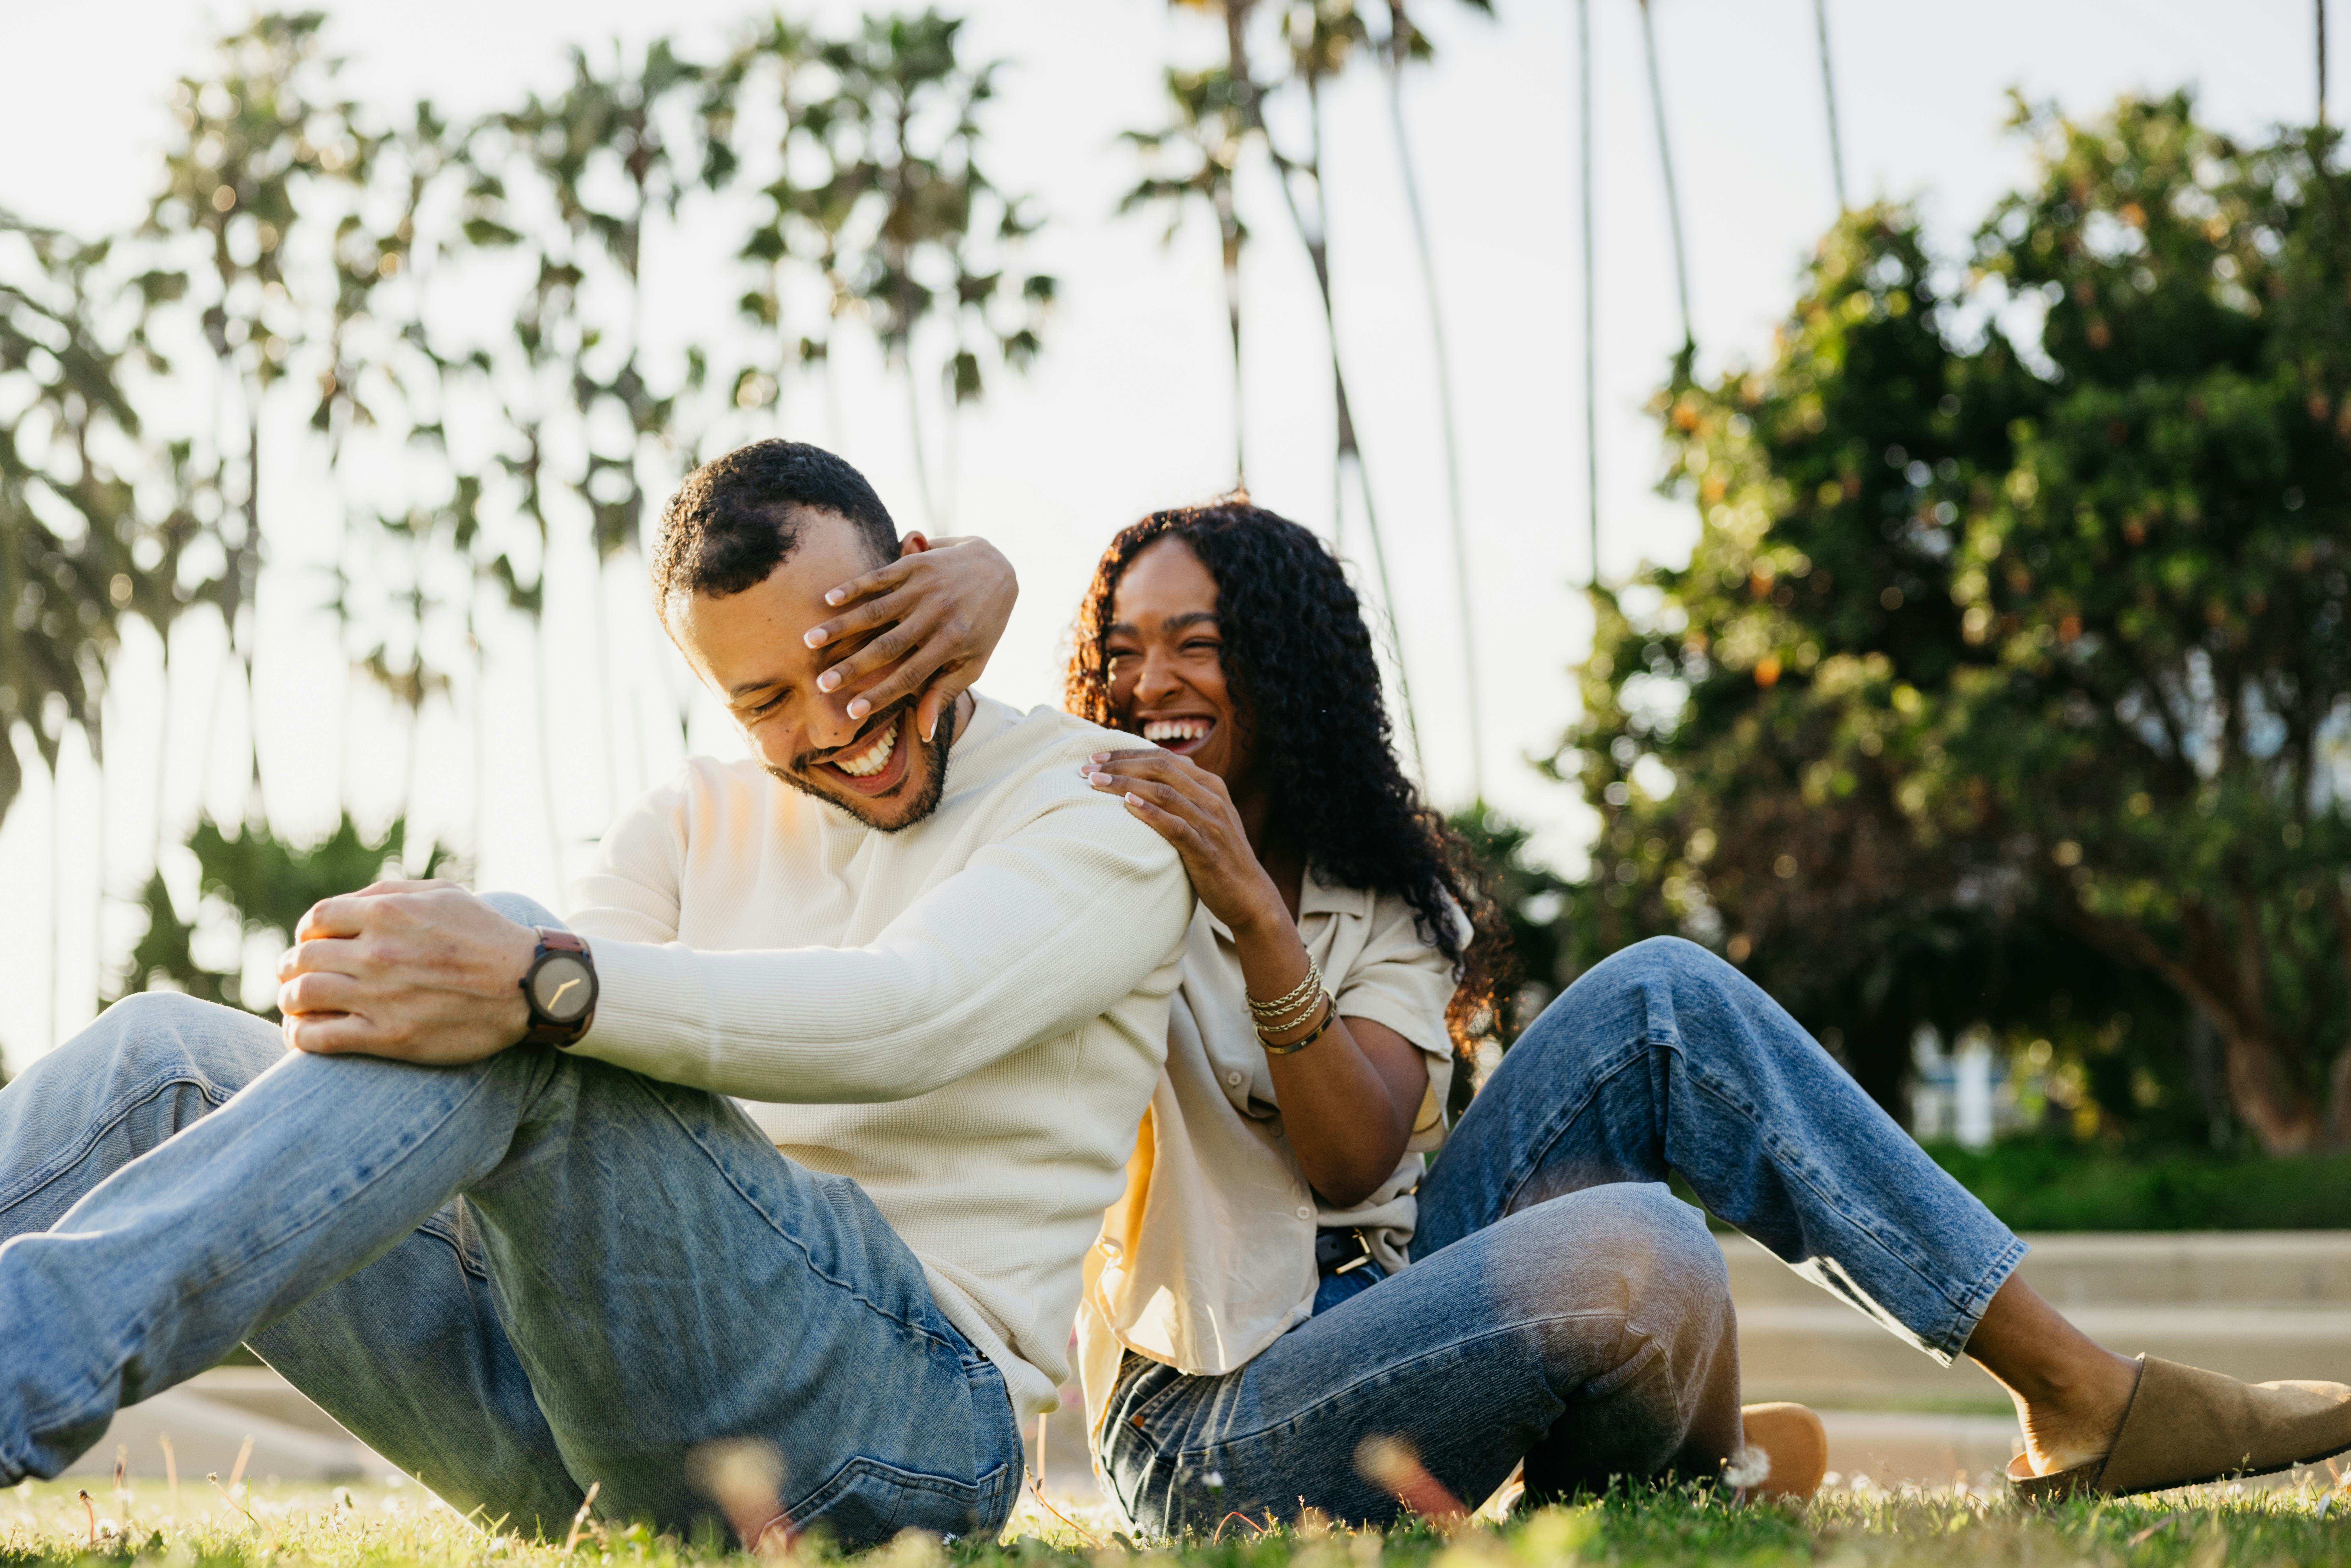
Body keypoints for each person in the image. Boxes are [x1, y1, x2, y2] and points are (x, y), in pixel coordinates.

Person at [840, 498, 2351, 1532]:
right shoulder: (1082, 836)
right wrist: (992, 571)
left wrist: (1257, 908)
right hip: (1216, 1423)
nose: (1151, 678)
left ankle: (2072, 1395)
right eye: (1127, 644)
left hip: (1397, 1298)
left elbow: (1360, 1151)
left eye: (1199, 640)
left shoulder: (1384, 892)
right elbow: (936, 740)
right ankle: (1702, 1478)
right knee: (1652, 1256)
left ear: (1285, 671)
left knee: (1665, 999)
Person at [0, 440, 1195, 1551]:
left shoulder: (1102, 808)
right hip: (589, 1415)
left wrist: (535, 979)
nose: (835, 721)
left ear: (919, 587)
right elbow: (527, 1076)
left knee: (528, 978)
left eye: (851, 655)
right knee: (162, 1061)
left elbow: (909, 1013)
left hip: (904, 1424)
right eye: (766, 700)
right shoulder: (687, 819)